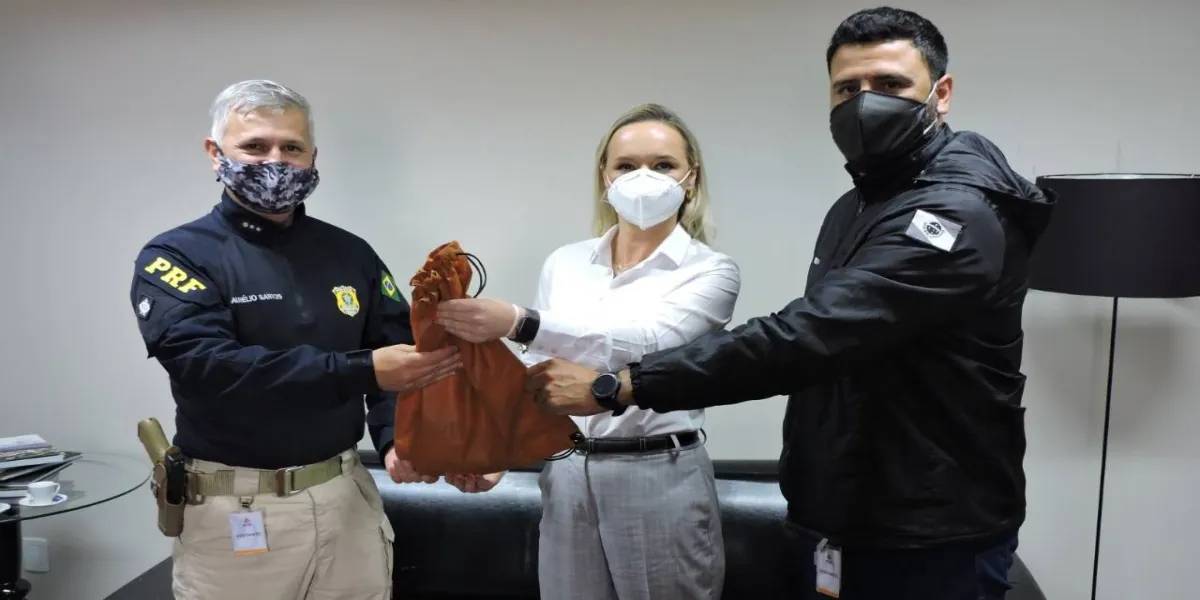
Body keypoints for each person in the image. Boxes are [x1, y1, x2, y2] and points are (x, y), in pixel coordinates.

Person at [528, 8, 1057, 600]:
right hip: (848, 514)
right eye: (847, 88)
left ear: (942, 93)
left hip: (931, 530)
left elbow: (810, 337)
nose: (865, 103)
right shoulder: (856, 206)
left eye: (890, 84)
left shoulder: (954, 213)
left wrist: (616, 386)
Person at [128, 79, 462, 600]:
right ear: (215, 153)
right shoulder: (176, 256)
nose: (275, 162)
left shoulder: (350, 252)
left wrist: (398, 439)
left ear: (312, 157)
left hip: (346, 496)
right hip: (238, 507)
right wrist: (361, 369)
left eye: (291, 148)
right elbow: (209, 366)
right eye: (255, 146)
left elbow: (400, 351)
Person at [433, 103, 741, 600]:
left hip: (658, 473)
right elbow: (539, 372)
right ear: (605, 177)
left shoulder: (711, 270)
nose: (643, 178)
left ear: (691, 178)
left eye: (663, 165)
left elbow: (646, 340)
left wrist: (522, 322)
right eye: (626, 165)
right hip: (568, 471)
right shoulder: (567, 262)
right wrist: (500, 449)